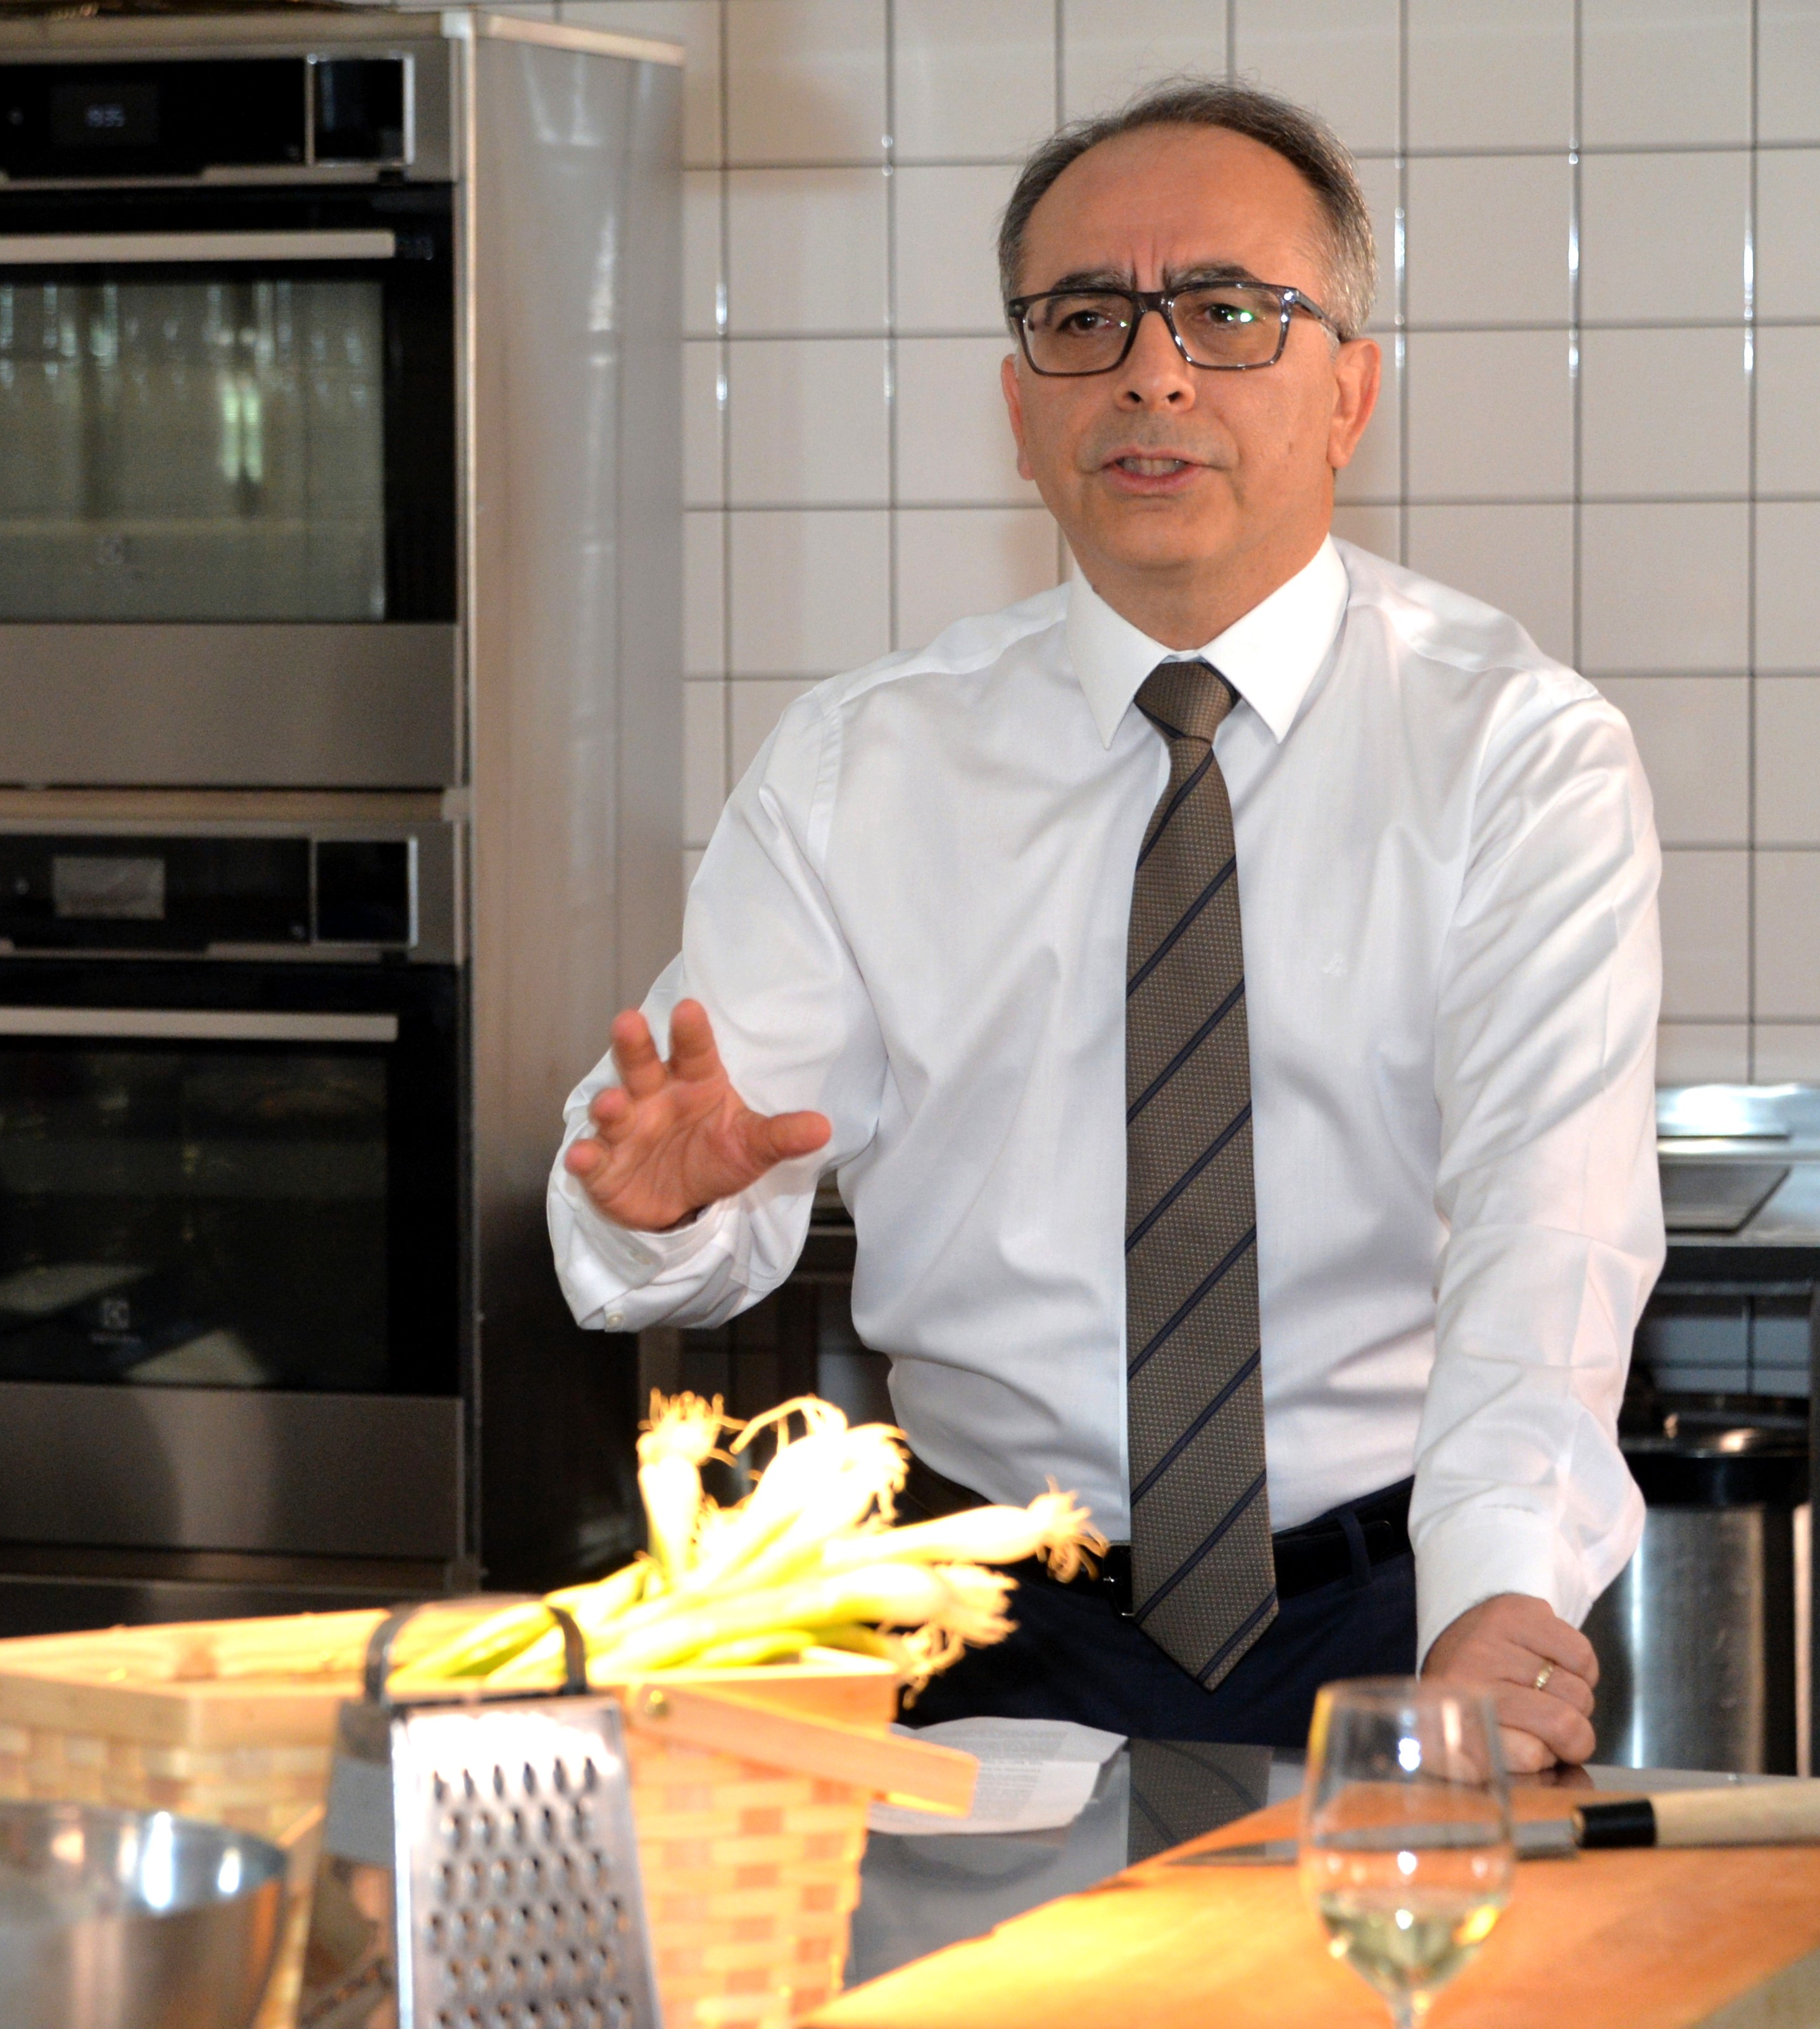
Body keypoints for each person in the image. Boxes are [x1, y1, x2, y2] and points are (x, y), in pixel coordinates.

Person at [545, 79, 1662, 1771]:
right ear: (1019, 406)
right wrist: (661, 1204)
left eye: (1228, 312)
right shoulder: (861, 764)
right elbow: (698, 1191)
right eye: (1086, 320)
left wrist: (1500, 1590)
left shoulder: (1516, 751)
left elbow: (1548, 1229)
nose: (1153, 374)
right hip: (977, 1617)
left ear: (1349, 391)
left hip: (1393, 1615)